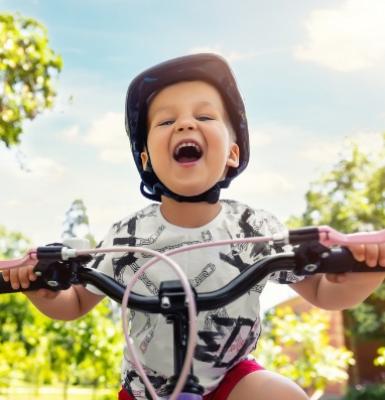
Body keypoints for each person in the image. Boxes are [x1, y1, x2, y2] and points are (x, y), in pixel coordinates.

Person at [3, 53, 385, 400]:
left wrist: (367, 271)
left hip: (232, 381)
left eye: (204, 117)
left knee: (283, 395)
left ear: (232, 153)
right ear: (147, 158)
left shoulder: (255, 228)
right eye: (167, 120)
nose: (185, 123)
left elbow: (321, 291)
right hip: (146, 390)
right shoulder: (127, 236)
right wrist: (47, 292)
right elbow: (77, 302)